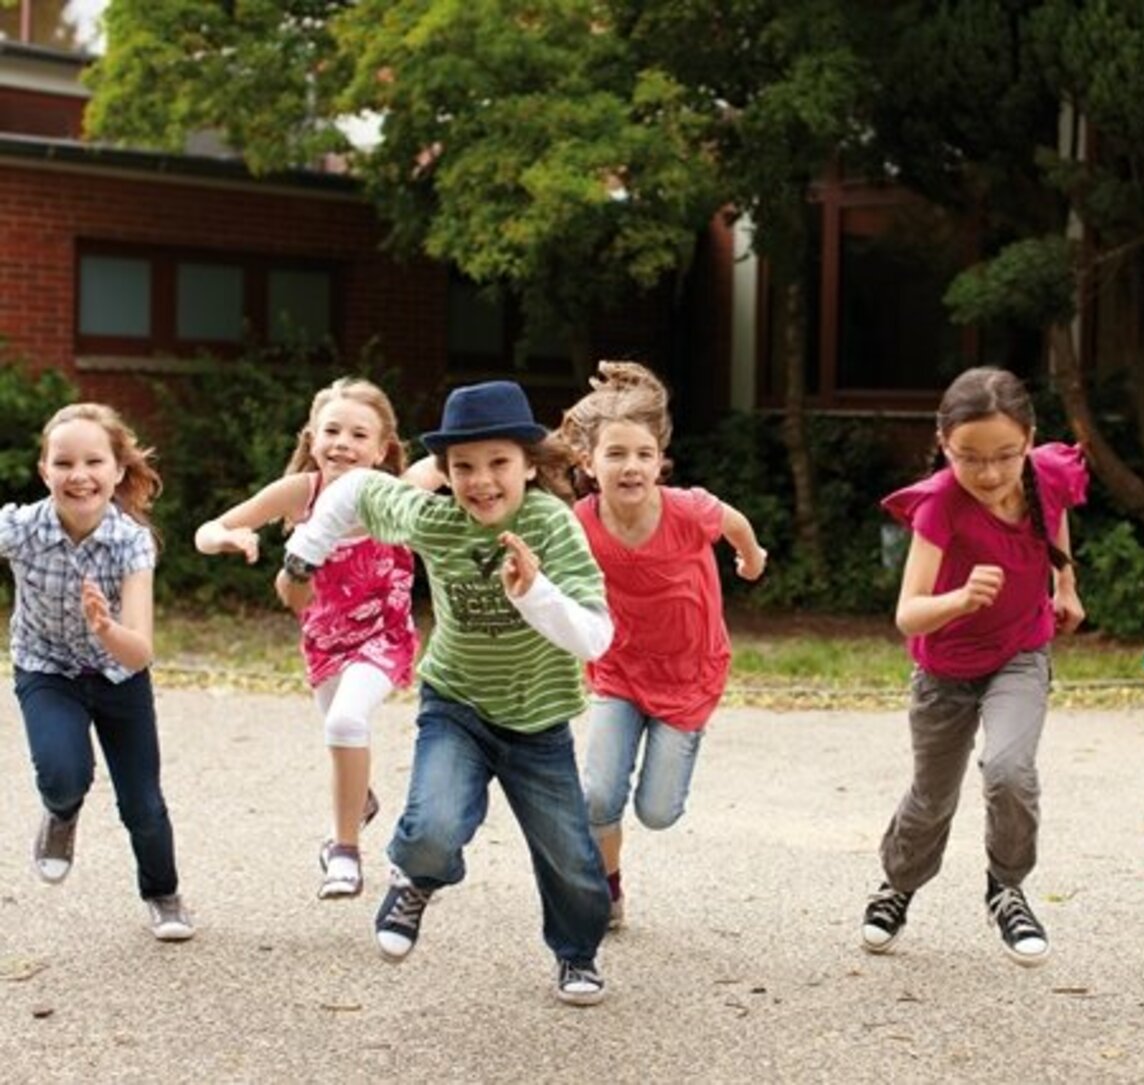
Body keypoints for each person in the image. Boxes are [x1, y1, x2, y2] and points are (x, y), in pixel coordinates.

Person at [281, 379, 615, 1006]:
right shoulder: (433, 518)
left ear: (529, 466)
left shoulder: (552, 525)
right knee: (433, 825)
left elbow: (595, 638)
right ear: (444, 471)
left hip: (537, 720)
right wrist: (304, 553)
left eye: (498, 464)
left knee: (571, 860)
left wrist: (534, 594)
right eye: (463, 467)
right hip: (456, 704)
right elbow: (354, 488)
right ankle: (415, 880)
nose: (481, 481)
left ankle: (577, 955)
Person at [861, 366, 1087, 966]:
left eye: (1006, 456)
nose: (989, 474)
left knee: (1009, 769)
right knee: (933, 795)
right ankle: (899, 884)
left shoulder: (1048, 473)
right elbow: (909, 614)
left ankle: (1006, 887)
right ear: (944, 444)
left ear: (1030, 439)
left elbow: (1056, 513)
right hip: (944, 670)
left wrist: (1065, 583)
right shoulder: (941, 505)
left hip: (1020, 652)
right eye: (969, 458)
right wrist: (960, 599)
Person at [557, 361, 767, 928]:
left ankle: (673, 761)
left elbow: (736, 523)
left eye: (643, 455)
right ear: (588, 463)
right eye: (616, 455)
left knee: (657, 811)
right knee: (599, 795)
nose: (631, 467)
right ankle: (608, 890)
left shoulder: (687, 509)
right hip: (618, 670)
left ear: (660, 460)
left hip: (687, 674)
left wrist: (750, 558)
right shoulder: (579, 522)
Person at [194, 377, 421, 900]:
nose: (342, 442)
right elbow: (207, 530)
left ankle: (343, 852)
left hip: (383, 636)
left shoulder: (393, 494)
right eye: (332, 430)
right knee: (342, 738)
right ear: (311, 438)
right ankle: (358, 804)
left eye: (358, 435)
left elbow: (437, 474)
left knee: (346, 720)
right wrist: (228, 536)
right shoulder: (301, 492)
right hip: (324, 641)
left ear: (382, 449)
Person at [1, 403, 193, 941]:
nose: (78, 475)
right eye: (63, 463)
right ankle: (60, 815)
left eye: (93, 462)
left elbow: (139, 654)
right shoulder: (19, 529)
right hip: (48, 670)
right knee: (64, 775)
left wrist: (106, 628)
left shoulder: (132, 542)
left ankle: (162, 894)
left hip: (119, 676)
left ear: (116, 471)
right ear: (44, 471)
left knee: (143, 803)